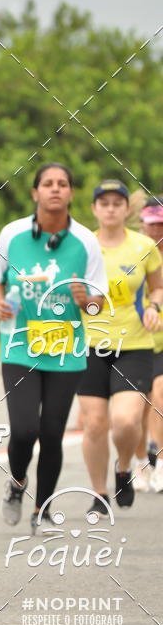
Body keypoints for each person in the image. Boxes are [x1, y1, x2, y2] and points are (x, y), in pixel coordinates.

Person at [0, 163, 108, 535]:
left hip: (66, 352)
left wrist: (86, 299)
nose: (55, 189)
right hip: (19, 345)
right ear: (35, 193)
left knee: (52, 433)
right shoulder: (12, 234)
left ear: (71, 193)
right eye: (47, 184)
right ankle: (17, 484)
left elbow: (97, 305)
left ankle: (43, 507)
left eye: (62, 184)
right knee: (24, 430)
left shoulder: (86, 242)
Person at [77, 181, 163, 511]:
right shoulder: (82, 247)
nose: (111, 208)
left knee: (126, 421)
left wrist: (154, 307)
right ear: (95, 209)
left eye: (117, 203)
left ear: (127, 209)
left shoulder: (144, 245)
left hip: (134, 345)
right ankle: (99, 494)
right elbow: (74, 294)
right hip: (89, 346)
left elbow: (156, 288)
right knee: (96, 424)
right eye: (104, 203)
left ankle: (124, 467)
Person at [135, 197, 163, 492]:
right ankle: (141, 462)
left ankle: (161, 467)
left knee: (159, 396)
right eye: (151, 224)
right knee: (137, 409)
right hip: (136, 341)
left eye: (161, 224)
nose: (156, 230)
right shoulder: (133, 255)